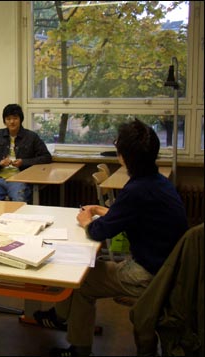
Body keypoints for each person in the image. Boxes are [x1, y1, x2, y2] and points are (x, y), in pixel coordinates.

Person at [37, 119, 188, 357]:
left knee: (83, 280)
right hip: (170, 270)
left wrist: (86, 219)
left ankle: (78, 346)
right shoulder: (157, 182)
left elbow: (98, 232)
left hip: (149, 275)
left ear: (123, 157)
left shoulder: (136, 189)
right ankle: (60, 317)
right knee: (86, 272)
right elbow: (136, 216)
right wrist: (101, 210)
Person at [0, 103, 51, 203]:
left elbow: (46, 157)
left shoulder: (31, 136)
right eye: (8, 119)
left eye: (15, 118)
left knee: (19, 201)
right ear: (4, 121)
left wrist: (23, 162)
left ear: (20, 119)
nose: (12, 122)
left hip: (20, 179)